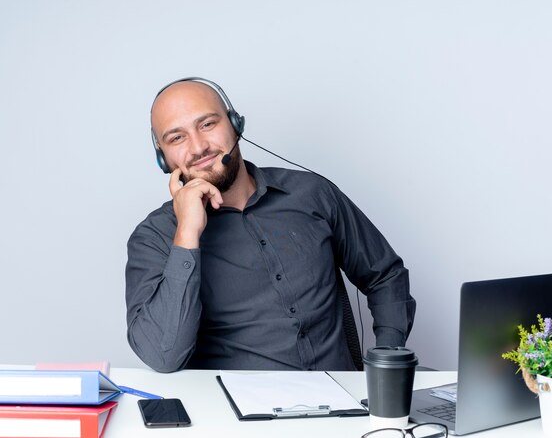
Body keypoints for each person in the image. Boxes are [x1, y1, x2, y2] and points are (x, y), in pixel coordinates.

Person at [125, 77, 416, 372]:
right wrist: (187, 232)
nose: (198, 147)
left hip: (342, 407)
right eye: (177, 138)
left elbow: (385, 274)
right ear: (163, 158)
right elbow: (162, 355)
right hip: (231, 413)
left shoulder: (312, 194)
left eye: (208, 124)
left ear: (235, 124)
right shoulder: (154, 237)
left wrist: (387, 362)